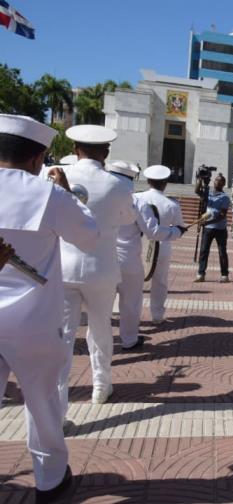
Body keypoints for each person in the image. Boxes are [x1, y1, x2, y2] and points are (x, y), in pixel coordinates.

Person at [0, 114, 99, 501]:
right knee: (42, 401)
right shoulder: (47, 194)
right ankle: (49, 479)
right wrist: (68, 193)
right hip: (33, 319)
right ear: (39, 157)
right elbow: (88, 237)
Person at [59, 124, 136, 406]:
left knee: (63, 335)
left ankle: (58, 396)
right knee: (101, 328)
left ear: (73, 149)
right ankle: (100, 386)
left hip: (63, 266)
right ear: (106, 152)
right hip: (101, 268)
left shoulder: (53, 175)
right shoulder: (118, 184)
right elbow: (129, 219)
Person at [107, 161, 186, 350]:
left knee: (102, 303)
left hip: (102, 254)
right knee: (135, 298)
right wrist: (177, 232)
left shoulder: (100, 196)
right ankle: (131, 337)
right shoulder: (138, 200)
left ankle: (103, 341)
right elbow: (153, 232)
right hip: (134, 253)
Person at [134, 165, 186, 324]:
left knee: (132, 282)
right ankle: (157, 315)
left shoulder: (136, 197)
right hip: (161, 246)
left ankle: (130, 315)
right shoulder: (172, 204)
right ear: (166, 183)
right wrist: (178, 231)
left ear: (148, 181)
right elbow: (179, 226)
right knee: (160, 282)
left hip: (136, 243)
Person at [195, 173, 231, 283]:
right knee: (204, 251)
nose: (216, 182)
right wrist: (200, 180)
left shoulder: (224, 197)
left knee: (222, 252)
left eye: (219, 181)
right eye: (215, 180)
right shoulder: (208, 193)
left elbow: (222, 215)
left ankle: (224, 274)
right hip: (208, 228)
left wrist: (207, 222)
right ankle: (201, 273)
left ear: (223, 184)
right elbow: (197, 191)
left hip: (220, 228)